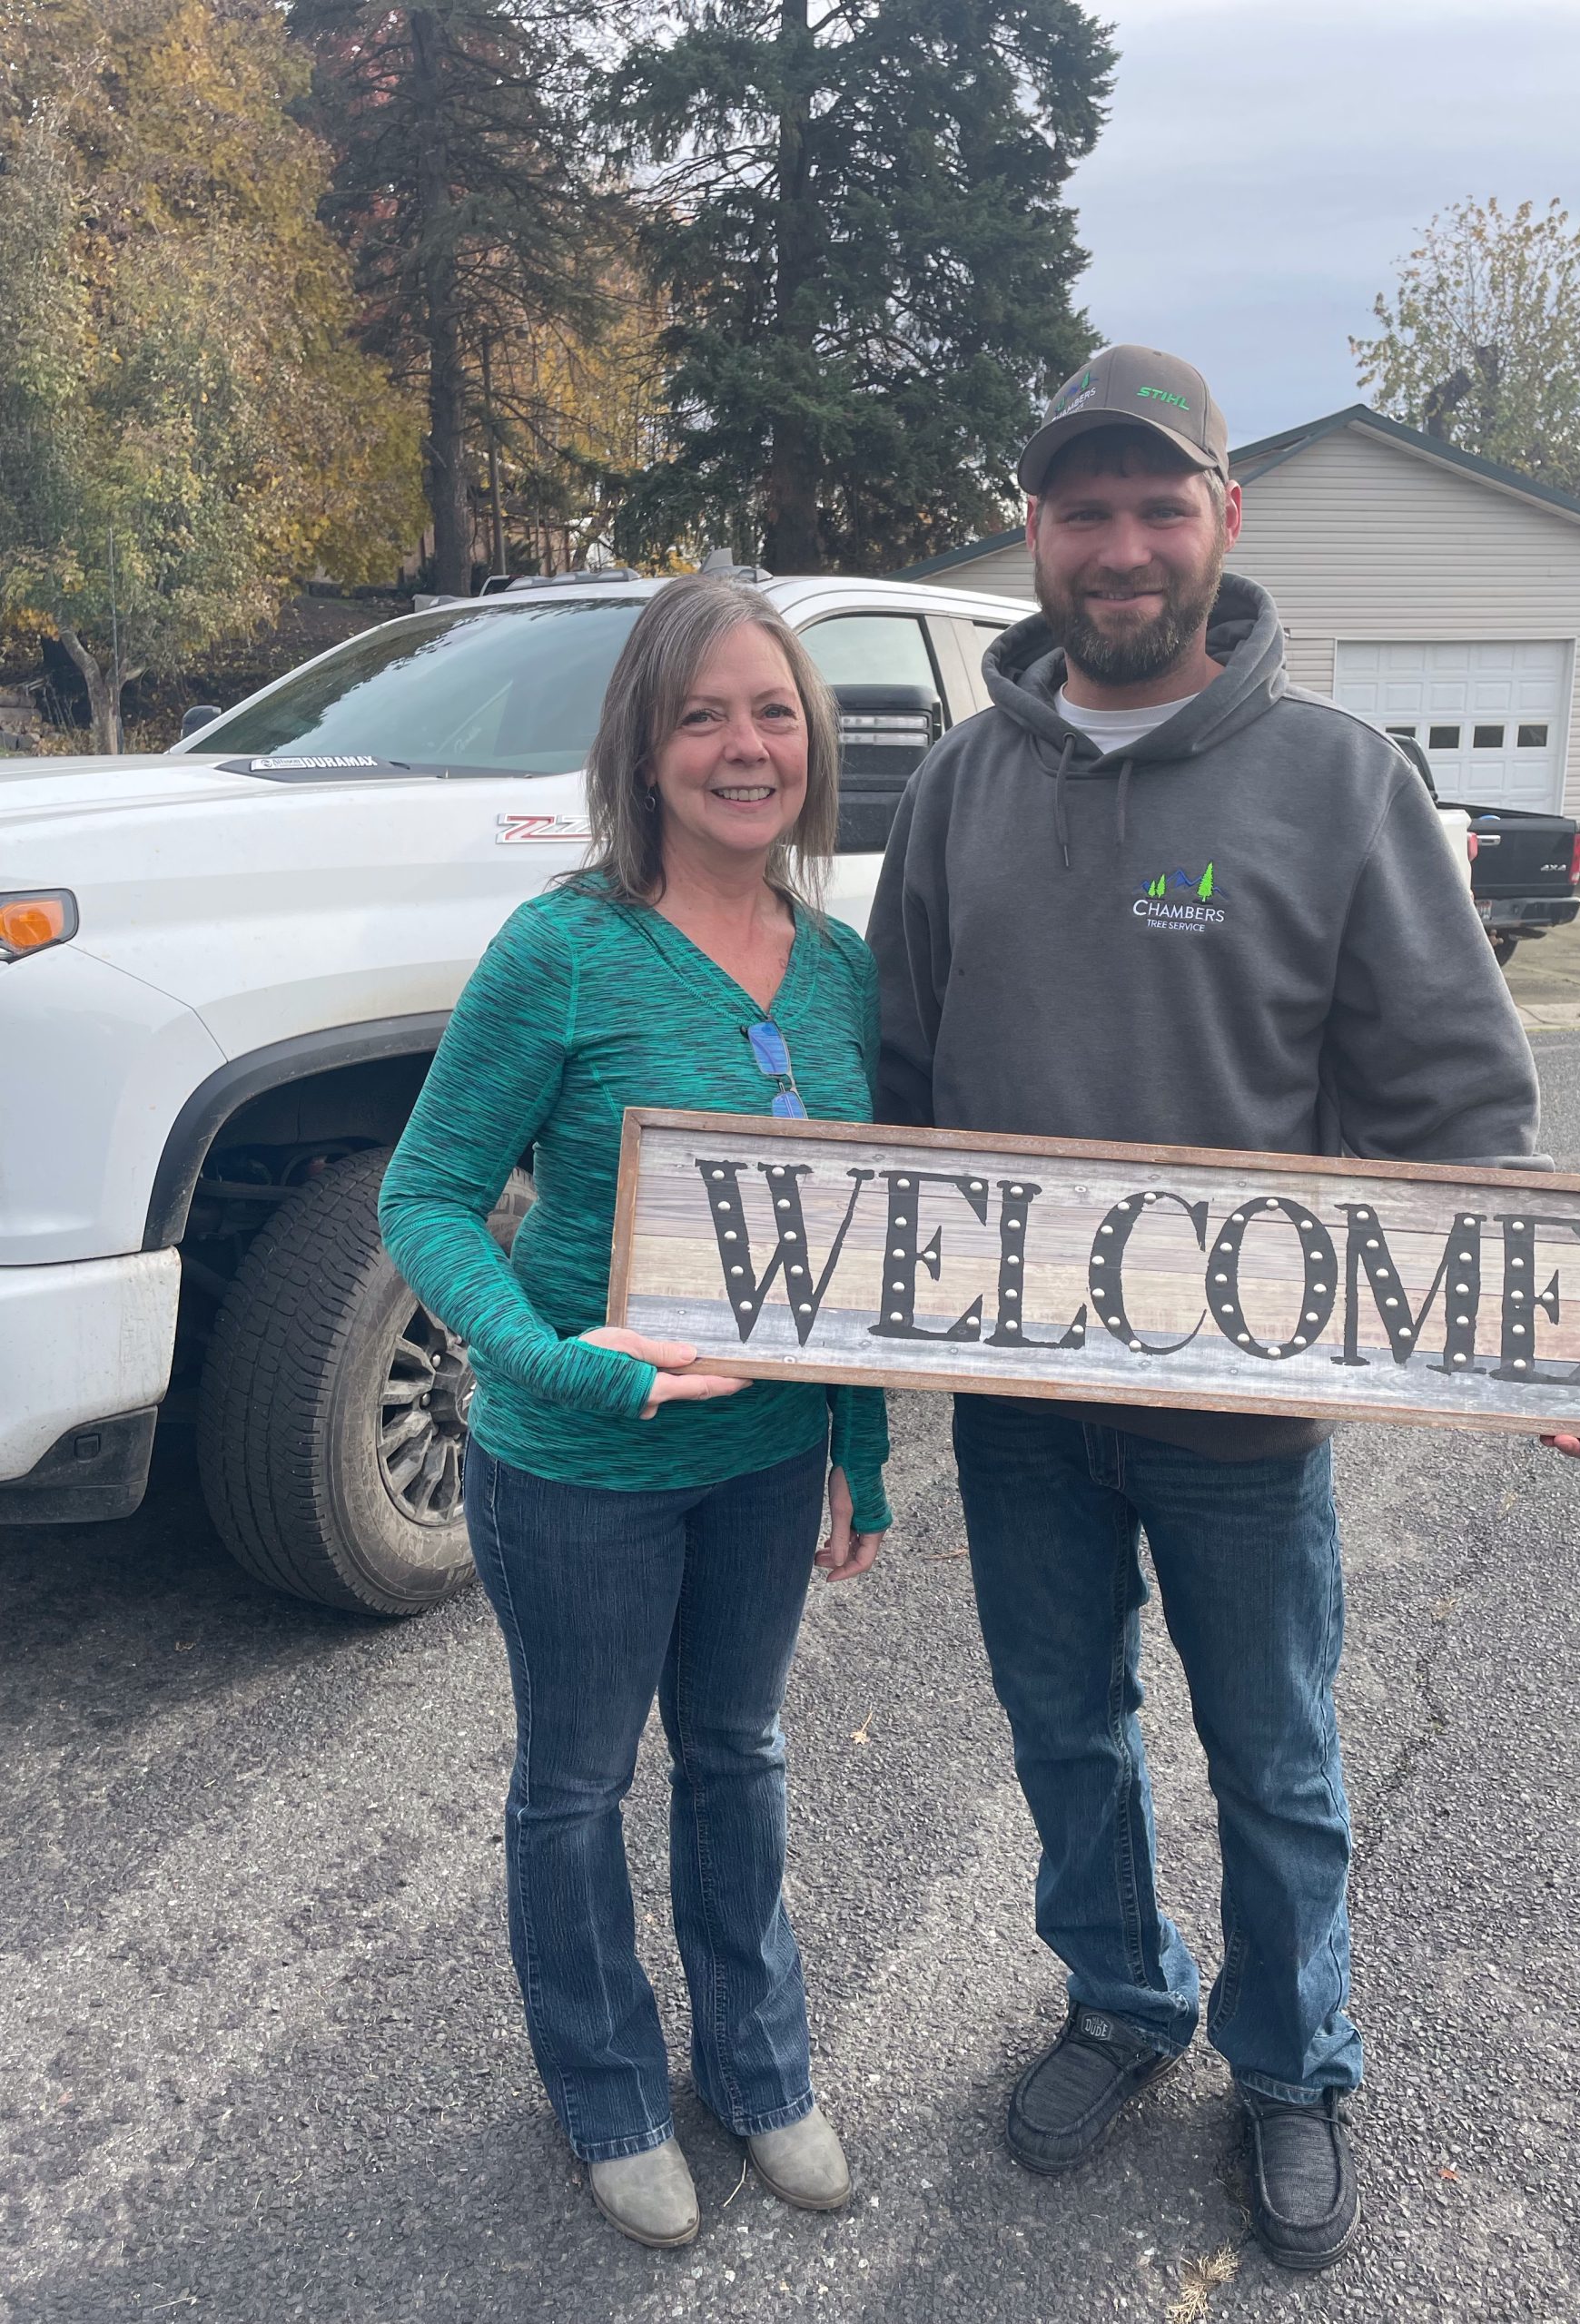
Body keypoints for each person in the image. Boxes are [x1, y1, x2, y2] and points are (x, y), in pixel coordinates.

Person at [867, 344, 1580, 2271]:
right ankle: (1121, 1997)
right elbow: (893, 1079)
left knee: (1277, 1755)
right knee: (1062, 1724)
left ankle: (1292, 2061)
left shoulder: (1339, 780)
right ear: (1036, 533)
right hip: (1018, 1406)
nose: (1123, 546)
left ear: (1226, 519)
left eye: (1160, 505)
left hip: (1244, 1410)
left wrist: (1566, 1340)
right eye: (1085, 510)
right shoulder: (964, 783)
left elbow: (1453, 1095)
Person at [380, 573, 891, 2250]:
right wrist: (556, 1360)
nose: (745, 748)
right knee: (579, 1785)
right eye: (702, 716)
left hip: (767, 1460)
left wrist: (860, 1444)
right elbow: (427, 1199)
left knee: (737, 1757)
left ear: (813, 745)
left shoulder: (840, 971)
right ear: (644, 748)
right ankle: (607, 2093)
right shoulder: (565, 952)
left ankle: (760, 2069)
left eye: (774, 714)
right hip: (581, 1468)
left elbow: (856, 1240)